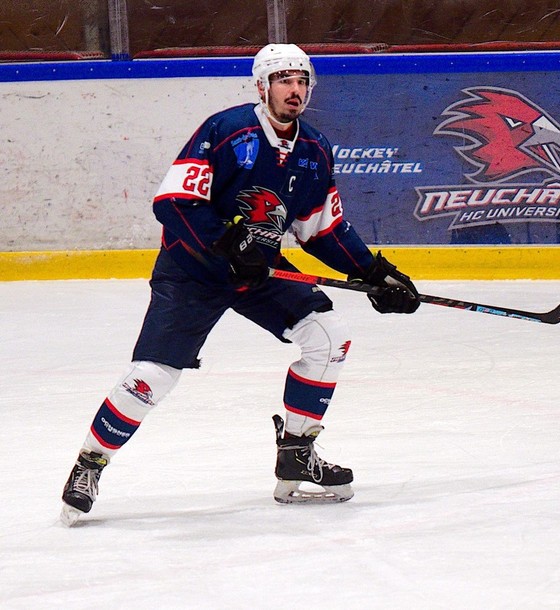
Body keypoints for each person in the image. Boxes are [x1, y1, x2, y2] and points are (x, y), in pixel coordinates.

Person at [60, 43, 420, 526]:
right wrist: (226, 242)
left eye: (301, 82)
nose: (294, 91)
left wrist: (374, 272)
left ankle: (297, 452)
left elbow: (322, 228)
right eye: (284, 81)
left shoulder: (314, 150)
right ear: (262, 86)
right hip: (192, 273)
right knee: (153, 376)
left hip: (258, 275)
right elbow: (173, 202)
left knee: (328, 335)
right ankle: (89, 465)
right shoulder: (227, 131)